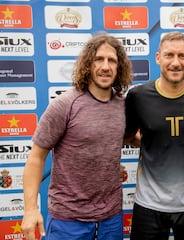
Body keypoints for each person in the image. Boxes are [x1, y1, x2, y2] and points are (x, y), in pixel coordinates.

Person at [21, 33, 133, 240]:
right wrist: (30, 209)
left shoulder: (124, 106)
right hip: (69, 220)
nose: (106, 66)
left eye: (112, 60)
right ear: (88, 64)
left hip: (111, 218)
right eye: (99, 59)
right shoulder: (65, 104)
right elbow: (36, 158)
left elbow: (128, 137)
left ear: (119, 68)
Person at [125, 31, 184, 240]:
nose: (175, 62)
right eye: (169, 55)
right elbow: (128, 136)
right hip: (149, 203)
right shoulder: (138, 96)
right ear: (158, 57)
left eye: (182, 56)